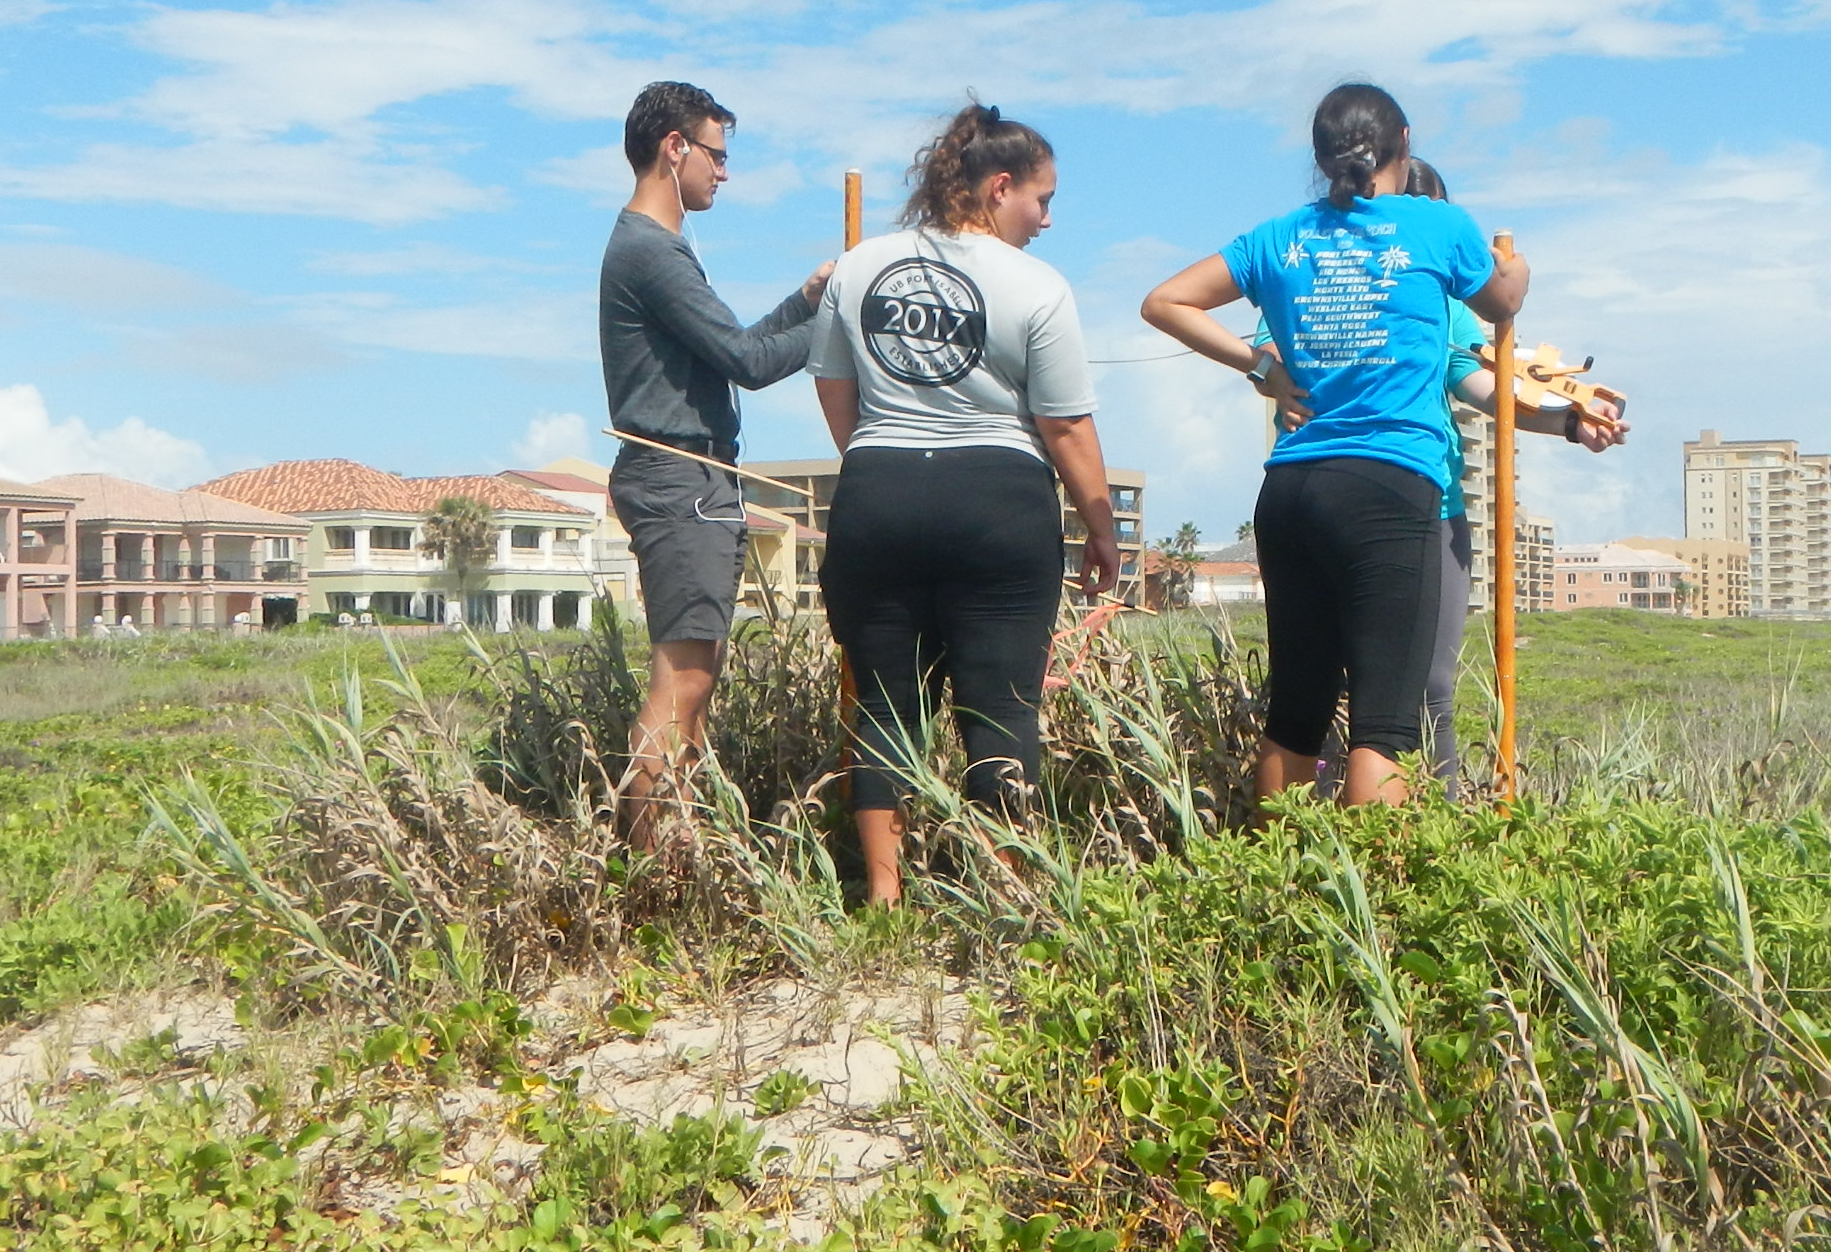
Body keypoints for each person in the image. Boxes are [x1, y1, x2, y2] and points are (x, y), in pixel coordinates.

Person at [1140, 83, 1526, 807]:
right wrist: (1520, 272)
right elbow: (1500, 302)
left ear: (1319, 158)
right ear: (1404, 143)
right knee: (1383, 728)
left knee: (1295, 717)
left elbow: (1164, 300)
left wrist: (1261, 366)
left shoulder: (1279, 236)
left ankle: (1275, 887)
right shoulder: (1433, 224)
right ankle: (1373, 908)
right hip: (1388, 483)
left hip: (1290, 491)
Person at [811, 102, 1121, 906]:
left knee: (884, 705)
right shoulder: (1039, 286)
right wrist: (1101, 529)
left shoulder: (860, 265)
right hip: (998, 500)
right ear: (998, 188)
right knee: (1003, 707)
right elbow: (1064, 425)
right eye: (1041, 201)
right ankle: (1002, 896)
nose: (1047, 220)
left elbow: (835, 388)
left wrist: (881, 463)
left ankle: (883, 899)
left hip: (876, 491)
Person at [597, 79, 833, 832]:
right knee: (683, 685)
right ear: (675, 149)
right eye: (715, 154)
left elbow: (738, 349)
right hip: (679, 480)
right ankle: (652, 881)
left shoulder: (653, 249)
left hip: (688, 479)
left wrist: (805, 298)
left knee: (695, 683)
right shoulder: (650, 251)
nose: (722, 172)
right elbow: (752, 363)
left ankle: (674, 856)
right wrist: (833, 316)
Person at [1396, 159, 1623, 791]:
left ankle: (1436, 827)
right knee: (1335, 682)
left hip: (1432, 502)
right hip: (1341, 494)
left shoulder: (1447, 304)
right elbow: (1272, 351)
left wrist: (1571, 422)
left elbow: (1482, 384)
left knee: (1431, 686)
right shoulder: (1324, 268)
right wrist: (1267, 369)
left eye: (1440, 216)